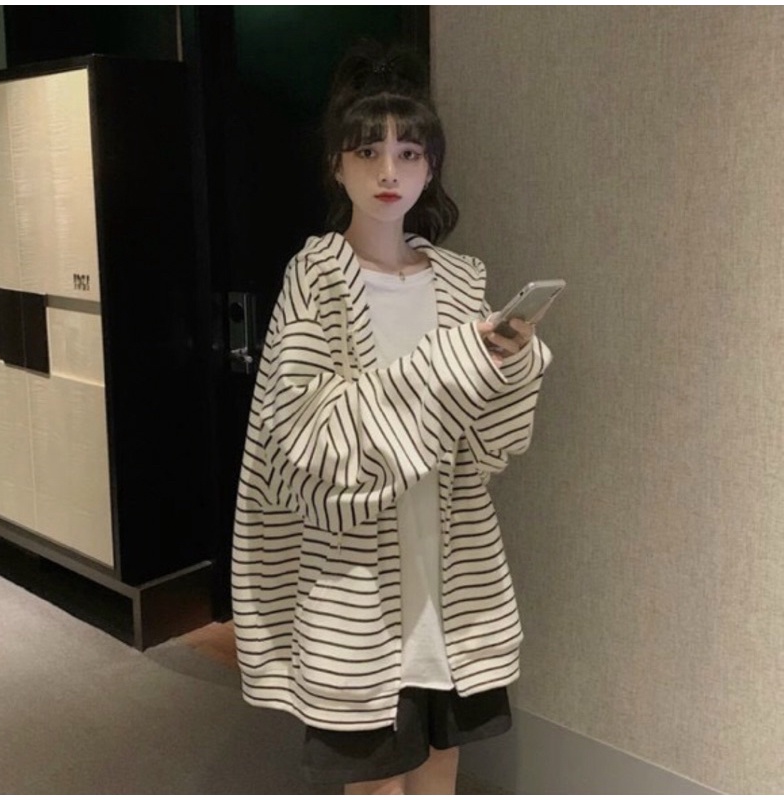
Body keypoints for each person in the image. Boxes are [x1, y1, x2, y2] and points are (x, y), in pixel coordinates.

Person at [232, 40, 552, 795]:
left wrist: (514, 362)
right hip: (355, 576)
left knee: (442, 765)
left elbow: (490, 442)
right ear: (336, 165)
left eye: (408, 153)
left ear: (430, 168)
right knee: (374, 778)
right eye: (367, 151)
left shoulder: (460, 280)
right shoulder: (316, 280)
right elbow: (305, 443)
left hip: (453, 566)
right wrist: (451, 365)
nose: (388, 172)